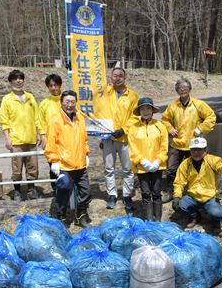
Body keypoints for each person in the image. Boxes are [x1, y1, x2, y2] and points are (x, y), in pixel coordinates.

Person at [161, 78, 216, 203]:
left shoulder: (198, 104)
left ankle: (189, 193)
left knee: (192, 170)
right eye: (180, 87)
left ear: (190, 89)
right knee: (171, 169)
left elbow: (211, 116)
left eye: (185, 87)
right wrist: (169, 128)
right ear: (177, 90)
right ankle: (171, 192)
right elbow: (164, 119)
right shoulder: (173, 105)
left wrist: (201, 129)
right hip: (177, 143)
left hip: (193, 145)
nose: (183, 89)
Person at [44, 90, 92, 228]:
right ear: (61, 103)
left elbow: (84, 139)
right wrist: (53, 160)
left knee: (86, 192)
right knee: (64, 188)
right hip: (64, 165)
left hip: (80, 163)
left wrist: (86, 153)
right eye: (67, 102)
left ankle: (80, 215)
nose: (70, 105)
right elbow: (51, 143)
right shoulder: (55, 120)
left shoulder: (80, 118)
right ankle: (60, 216)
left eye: (72, 102)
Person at [171, 137, 222, 236]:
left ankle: (215, 222)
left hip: (209, 197)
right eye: (194, 149)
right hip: (193, 197)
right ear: (190, 150)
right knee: (179, 207)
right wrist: (177, 196)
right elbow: (179, 182)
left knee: (216, 213)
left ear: (205, 150)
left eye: (199, 149)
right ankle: (195, 215)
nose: (196, 152)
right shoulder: (185, 164)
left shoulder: (212, 160)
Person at [100, 67, 139, 210]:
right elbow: (99, 113)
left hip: (125, 138)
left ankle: (127, 195)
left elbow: (136, 117)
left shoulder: (133, 96)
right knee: (108, 168)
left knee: (127, 169)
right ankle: (112, 195)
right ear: (111, 78)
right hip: (108, 138)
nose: (117, 78)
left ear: (125, 78)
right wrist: (100, 134)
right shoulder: (104, 94)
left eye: (120, 76)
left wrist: (123, 130)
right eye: (114, 76)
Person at [0, 69, 40, 202]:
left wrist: (38, 132)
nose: (18, 81)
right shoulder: (7, 99)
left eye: (20, 78)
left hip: (31, 138)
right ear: (11, 81)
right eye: (15, 79)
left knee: (32, 166)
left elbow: (37, 116)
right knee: (17, 167)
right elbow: (4, 120)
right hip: (16, 140)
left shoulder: (30, 97)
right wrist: (7, 137)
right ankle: (17, 191)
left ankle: (31, 189)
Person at [127, 97, 168, 221]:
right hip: (141, 166)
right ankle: (149, 220)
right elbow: (132, 148)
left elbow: (164, 145)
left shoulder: (160, 126)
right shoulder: (133, 128)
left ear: (152, 110)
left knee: (156, 192)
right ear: (139, 111)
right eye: (143, 109)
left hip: (157, 165)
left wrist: (158, 160)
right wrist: (142, 161)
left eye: (148, 108)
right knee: (145, 192)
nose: (145, 111)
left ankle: (158, 220)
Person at [38, 74, 63, 193]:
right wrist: (43, 136)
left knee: (66, 165)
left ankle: (68, 189)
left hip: (66, 140)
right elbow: (40, 121)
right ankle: (56, 189)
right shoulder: (44, 103)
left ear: (60, 85)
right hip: (50, 140)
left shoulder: (67, 100)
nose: (53, 88)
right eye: (51, 86)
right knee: (53, 166)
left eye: (55, 85)